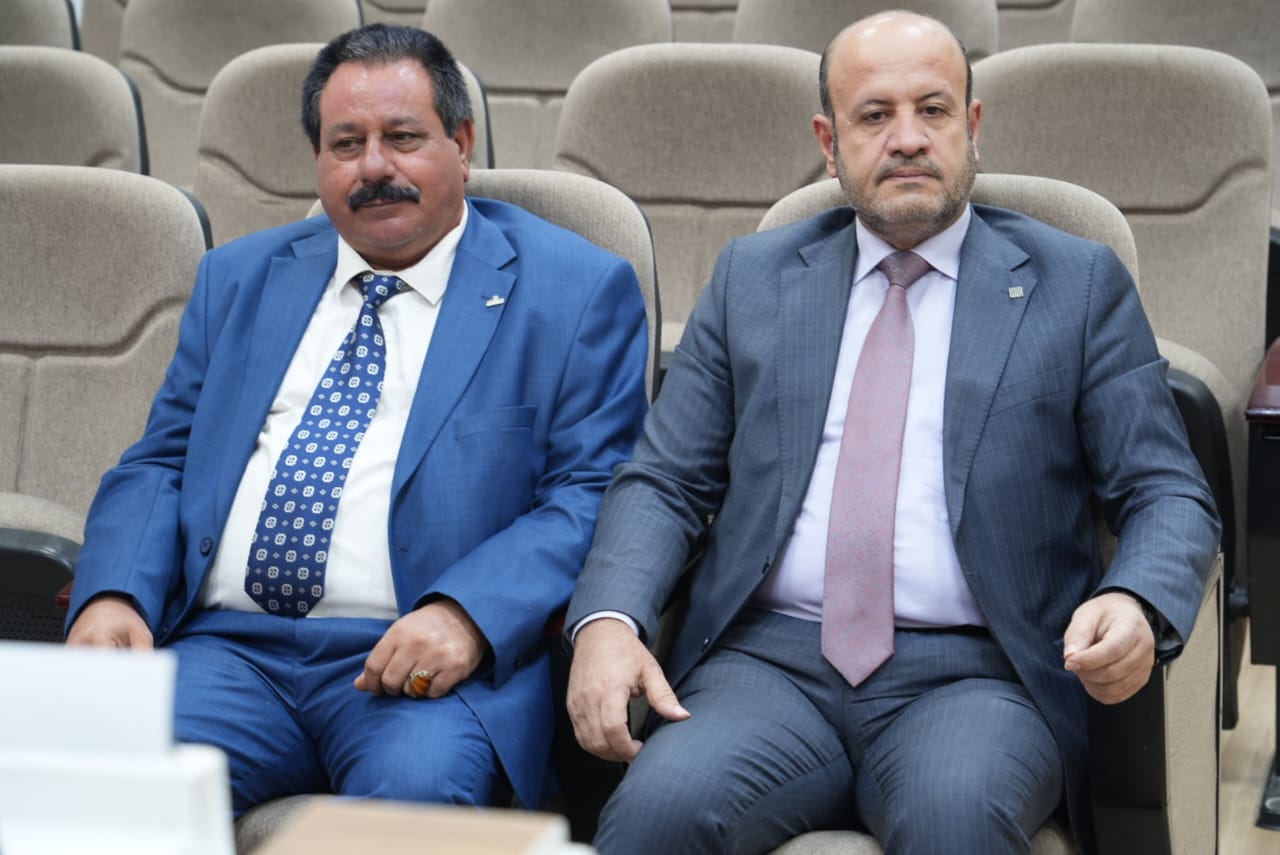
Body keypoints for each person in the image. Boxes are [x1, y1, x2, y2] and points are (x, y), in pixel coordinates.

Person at [565, 11, 1219, 855]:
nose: (907, 138)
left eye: (933, 110)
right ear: (829, 143)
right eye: (874, 115)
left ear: (973, 128)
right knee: (653, 815)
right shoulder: (752, 279)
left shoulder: (1075, 284)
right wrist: (610, 619)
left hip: (979, 673)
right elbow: (665, 481)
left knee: (956, 822)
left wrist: (1135, 598)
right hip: (767, 663)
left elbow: (1166, 490)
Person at [64, 23, 649, 816]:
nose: (374, 167)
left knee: (411, 803)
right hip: (229, 653)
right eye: (347, 144)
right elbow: (163, 461)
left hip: (422, 666)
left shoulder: (573, 292)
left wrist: (466, 614)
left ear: (462, 143)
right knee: (96, 782)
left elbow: (591, 493)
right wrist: (113, 595)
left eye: (402, 137)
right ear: (318, 159)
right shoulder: (239, 278)